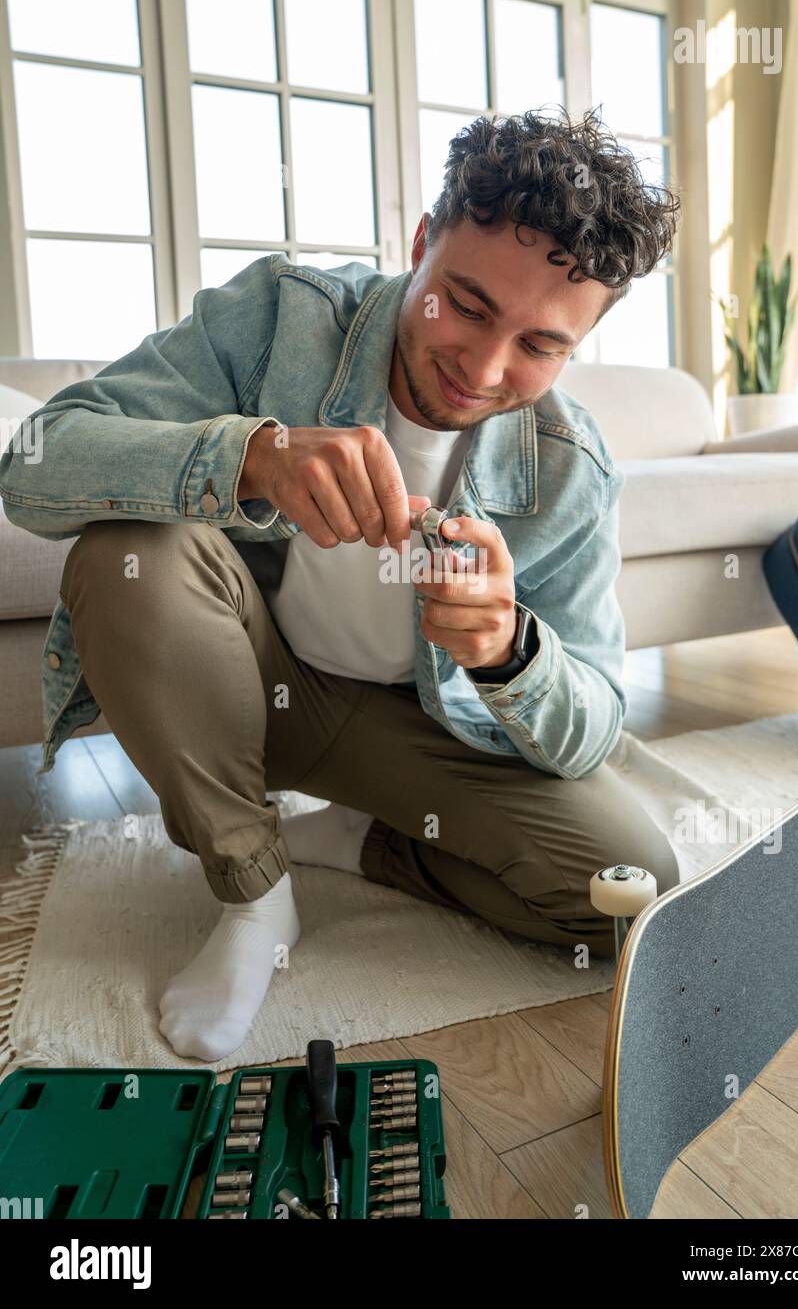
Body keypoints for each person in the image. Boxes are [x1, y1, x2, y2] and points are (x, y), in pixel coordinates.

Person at [0, 106, 682, 1062]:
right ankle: (253, 896)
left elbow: (597, 723)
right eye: (469, 305)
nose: (482, 369)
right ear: (419, 244)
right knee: (129, 551)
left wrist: (509, 651)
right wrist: (249, 456)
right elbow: (34, 465)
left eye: (540, 345)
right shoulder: (281, 315)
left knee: (628, 892)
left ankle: (355, 839)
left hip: (411, 731)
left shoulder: (567, 464)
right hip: (234, 684)